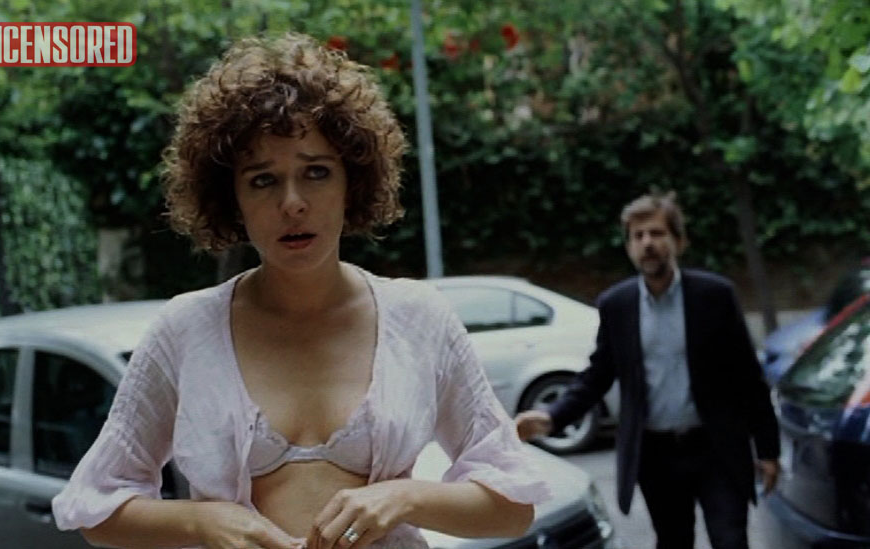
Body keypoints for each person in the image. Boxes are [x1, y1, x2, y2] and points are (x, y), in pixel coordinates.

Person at [52, 33, 549, 549]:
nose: (292, 203)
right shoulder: (184, 331)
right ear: (231, 198)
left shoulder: (419, 319)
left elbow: (512, 508)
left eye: (316, 172)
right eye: (262, 180)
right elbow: (97, 509)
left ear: (352, 183)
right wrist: (202, 521)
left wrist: (405, 497)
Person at [516, 192, 780, 549]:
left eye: (656, 233)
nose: (647, 243)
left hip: (716, 447)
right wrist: (552, 417)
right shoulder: (617, 305)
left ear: (679, 241)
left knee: (730, 540)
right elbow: (599, 373)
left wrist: (768, 449)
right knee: (672, 541)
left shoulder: (715, 296)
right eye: (638, 236)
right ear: (629, 247)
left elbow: (748, 377)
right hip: (656, 455)